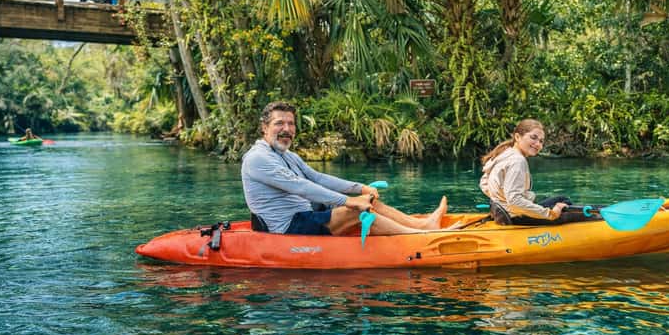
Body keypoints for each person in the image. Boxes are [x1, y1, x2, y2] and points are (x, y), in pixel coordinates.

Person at [242, 101, 451, 236]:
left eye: (291, 123)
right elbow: (301, 187)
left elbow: (317, 177)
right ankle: (418, 237)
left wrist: (360, 189)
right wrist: (350, 201)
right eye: (280, 123)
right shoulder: (258, 158)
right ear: (265, 128)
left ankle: (424, 226)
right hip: (288, 227)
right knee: (356, 210)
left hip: (305, 214)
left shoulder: (287, 156)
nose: (286, 129)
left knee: (369, 201)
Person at [479, 119, 597, 226]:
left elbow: (484, 183)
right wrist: (550, 213)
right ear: (517, 137)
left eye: (541, 141)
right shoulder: (517, 161)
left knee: (563, 199)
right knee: (582, 215)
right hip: (517, 217)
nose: (538, 144)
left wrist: (500, 203)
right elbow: (514, 201)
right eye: (533, 138)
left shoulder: (504, 153)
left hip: (505, 214)